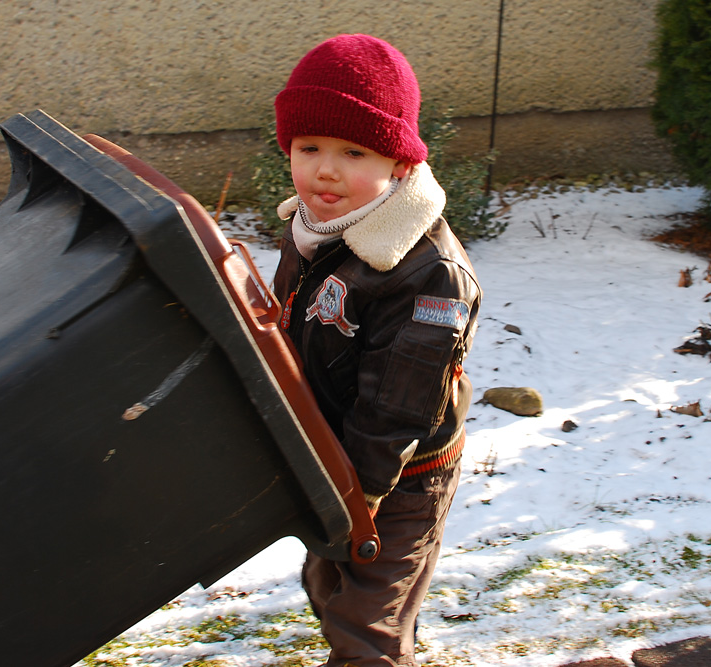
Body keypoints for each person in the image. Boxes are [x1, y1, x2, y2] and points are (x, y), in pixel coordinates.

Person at [270, 34, 483, 667]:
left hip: (401, 474)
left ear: (397, 162)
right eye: (308, 148)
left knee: (368, 625)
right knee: (326, 584)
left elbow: (399, 403)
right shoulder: (314, 229)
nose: (324, 170)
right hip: (333, 455)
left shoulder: (427, 273)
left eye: (353, 151)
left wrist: (360, 494)